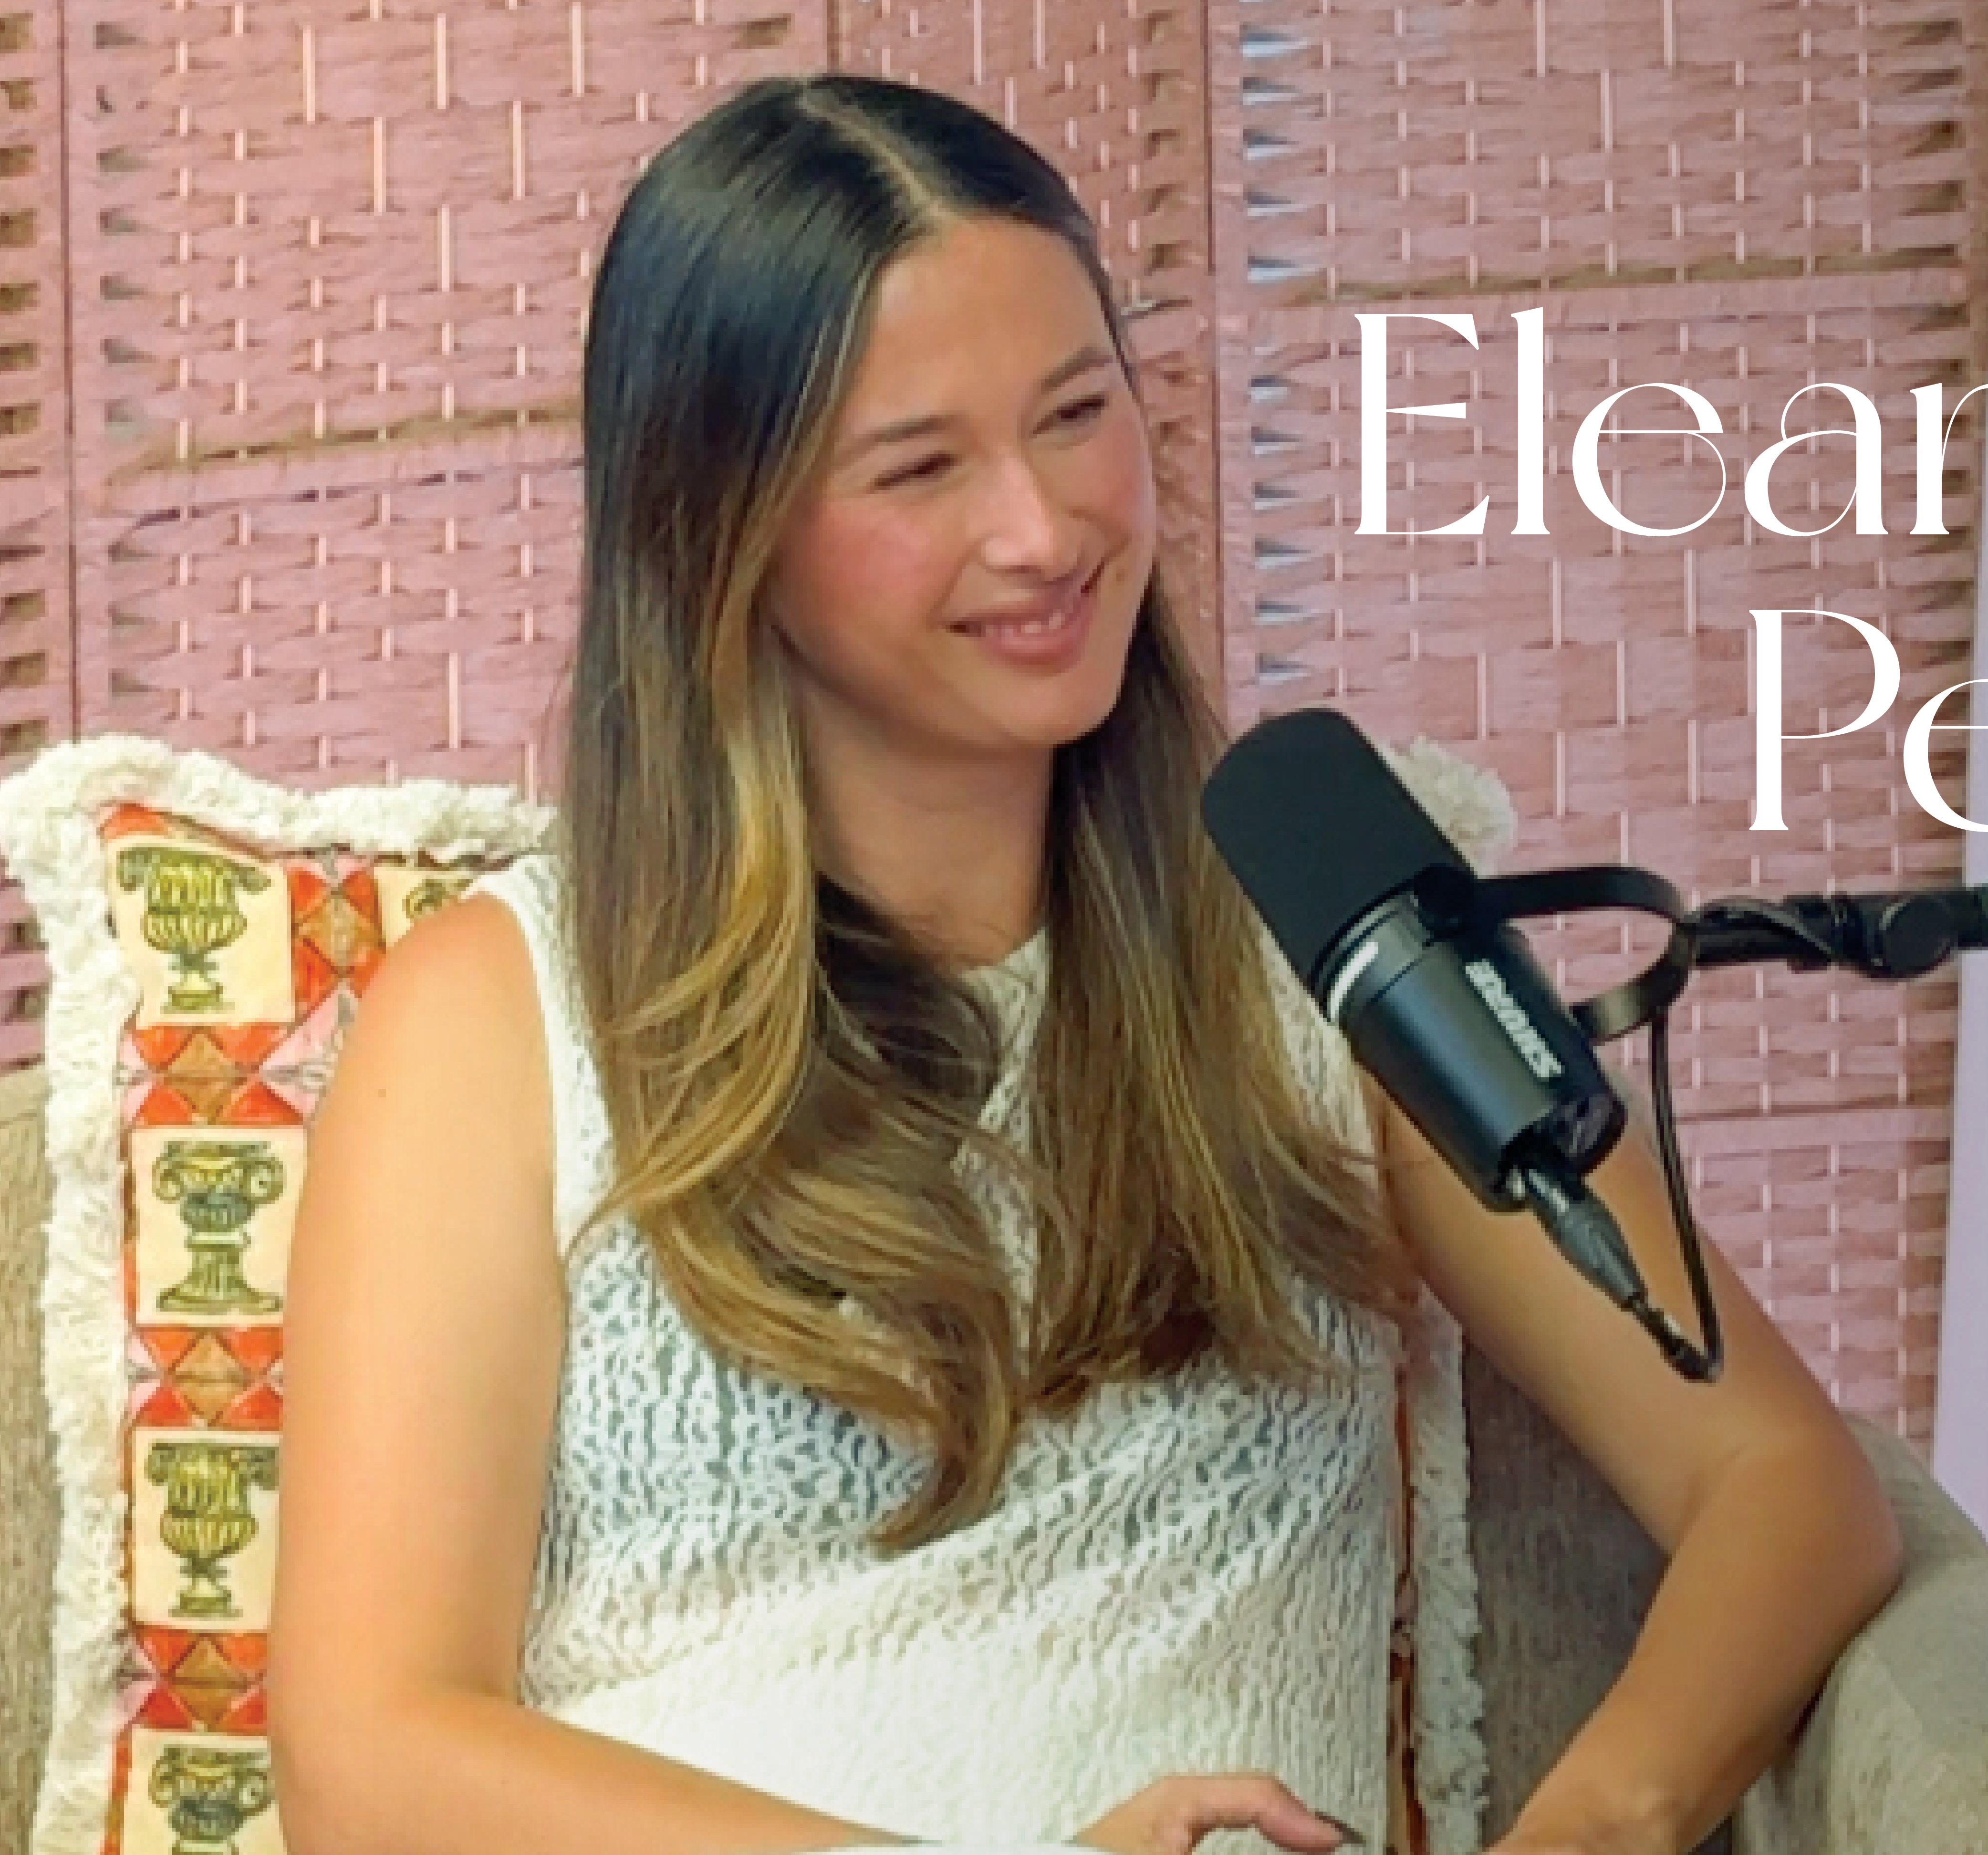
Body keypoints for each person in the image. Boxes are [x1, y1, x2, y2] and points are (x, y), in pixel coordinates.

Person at [266, 73, 1900, 1855]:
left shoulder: (1325, 931)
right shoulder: (495, 1019)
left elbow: (1784, 1484)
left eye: (1075, 413)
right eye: (920, 468)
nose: (1045, 532)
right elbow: (371, 1760)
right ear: (720, 531)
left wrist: (1591, 1828)